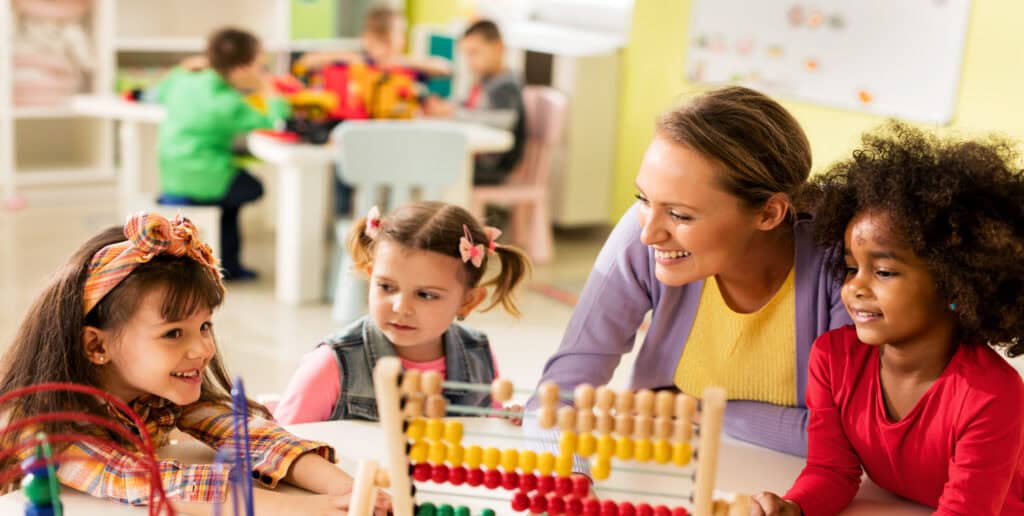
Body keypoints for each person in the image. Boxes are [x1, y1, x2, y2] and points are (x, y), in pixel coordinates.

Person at [531, 86, 851, 456]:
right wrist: (570, 473)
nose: (650, 233)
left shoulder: (843, 265)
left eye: (680, 215)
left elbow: (847, 436)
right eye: (643, 199)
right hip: (670, 465)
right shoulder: (641, 236)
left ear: (768, 214)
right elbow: (557, 395)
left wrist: (698, 410)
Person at [0, 213, 389, 514]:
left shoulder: (154, 389)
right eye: (173, 333)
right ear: (96, 346)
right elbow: (143, 481)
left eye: (204, 326)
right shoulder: (48, 428)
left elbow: (245, 433)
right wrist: (302, 510)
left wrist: (346, 491)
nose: (203, 348)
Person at [751, 123, 1024, 515]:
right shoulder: (833, 359)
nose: (855, 287)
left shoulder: (990, 393)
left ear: (952, 284)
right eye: (849, 268)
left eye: (884, 272)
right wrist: (793, 508)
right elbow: (831, 470)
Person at [274, 201, 531, 424]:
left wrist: (505, 421)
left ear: (468, 301)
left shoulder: (477, 354)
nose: (401, 307)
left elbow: (484, 432)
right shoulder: (332, 365)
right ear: (369, 274)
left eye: (425, 295)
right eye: (386, 287)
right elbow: (279, 450)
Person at [157, 27, 286, 280]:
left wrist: (191, 66)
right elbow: (276, 121)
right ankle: (231, 266)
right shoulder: (228, 102)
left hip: (171, 174)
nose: (263, 70)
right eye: (260, 66)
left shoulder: (183, 80)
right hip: (207, 178)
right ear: (240, 69)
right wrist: (266, 87)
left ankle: (228, 263)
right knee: (252, 188)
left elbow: (161, 91)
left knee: (229, 205)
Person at [423, 19, 526, 185]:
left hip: (494, 165)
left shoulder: (506, 83)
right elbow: (471, 105)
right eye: (466, 55)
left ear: (498, 47)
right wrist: (447, 107)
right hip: (480, 160)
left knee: (437, 167)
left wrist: (453, 113)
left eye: (475, 53)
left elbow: (506, 120)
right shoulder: (486, 79)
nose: (469, 61)